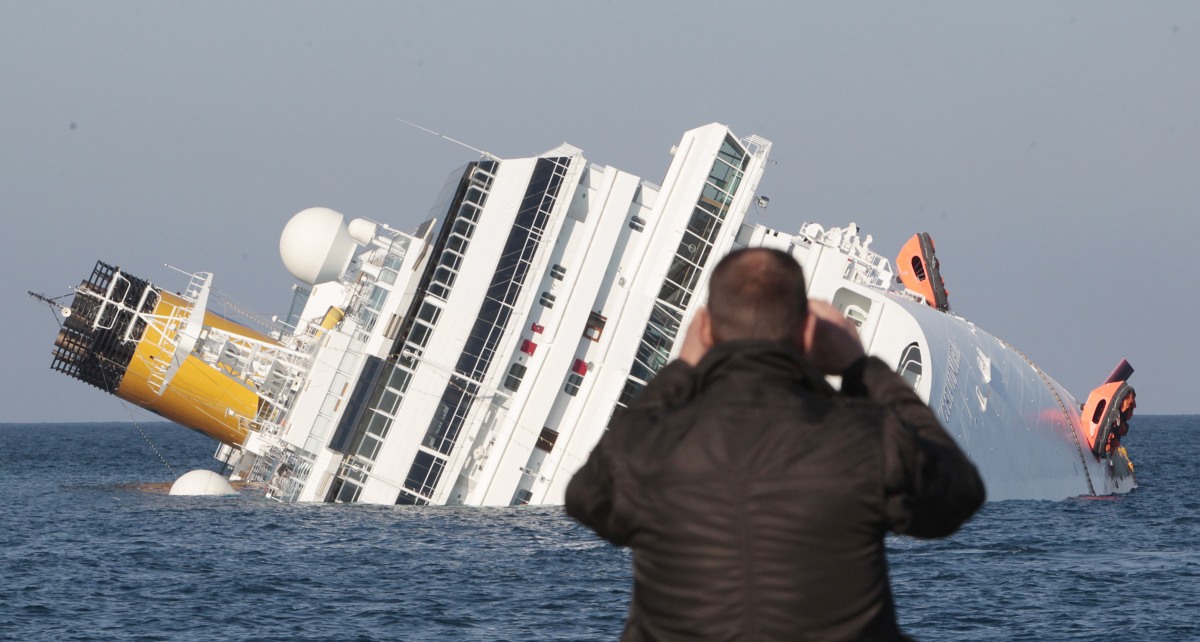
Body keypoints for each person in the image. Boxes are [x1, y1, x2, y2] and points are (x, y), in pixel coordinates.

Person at [565, 247, 985, 641]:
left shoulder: (648, 446)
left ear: (707, 329)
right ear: (806, 330)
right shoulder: (866, 435)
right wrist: (862, 367)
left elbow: (586, 499)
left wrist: (682, 369)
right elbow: (958, 493)